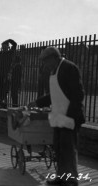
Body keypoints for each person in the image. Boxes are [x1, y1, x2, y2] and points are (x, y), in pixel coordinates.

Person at [28, 47, 85, 186]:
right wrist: (38, 102)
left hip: (69, 118)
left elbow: (78, 95)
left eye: (46, 61)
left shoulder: (69, 68)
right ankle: (61, 177)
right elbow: (53, 95)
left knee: (68, 151)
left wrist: (69, 117)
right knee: (58, 150)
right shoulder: (54, 70)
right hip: (59, 117)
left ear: (54, 57)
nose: (45, 65)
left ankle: (70, 181)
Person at [0, 39, 17, 108]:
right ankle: (1, 104)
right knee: (0, 89)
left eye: (4, 46)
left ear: (8, 47)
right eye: (2, 46)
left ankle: (4, 105)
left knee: (5, 90)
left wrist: (9, 40)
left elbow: (14, 44)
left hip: (7, 74)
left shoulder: (10, 53)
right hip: (0, 74)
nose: (3, 48)